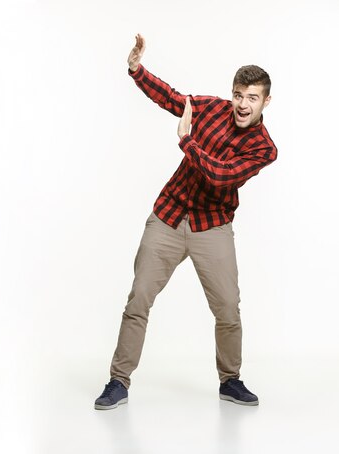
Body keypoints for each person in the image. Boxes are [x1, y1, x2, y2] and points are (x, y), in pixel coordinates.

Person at [94, 34, 277, 410]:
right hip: (168, 216)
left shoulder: (264, 148)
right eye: (239, 95)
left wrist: (187, 142)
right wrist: (136, 71)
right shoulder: (212, 108)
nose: (243, 104)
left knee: (228, 308)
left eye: (252, 97)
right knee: (139, 299)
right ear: (233, 93)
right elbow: (174, 99)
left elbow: (222, 176)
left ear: (265, 101)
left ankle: (230, 380)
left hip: (212, 227)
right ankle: (118, 381)